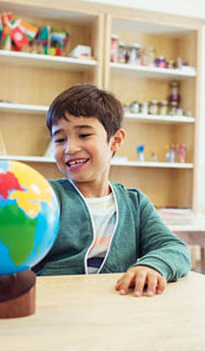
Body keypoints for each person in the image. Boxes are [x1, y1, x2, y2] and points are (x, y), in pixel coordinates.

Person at [33, 84, 191, 297]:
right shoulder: (42, 197)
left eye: (84, 135)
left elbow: (174, 248)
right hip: (54, 307)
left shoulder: (135, 204)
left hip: (116, 309)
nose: (70, 148)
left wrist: (152, 266)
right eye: (60, 139)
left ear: (115, 140)